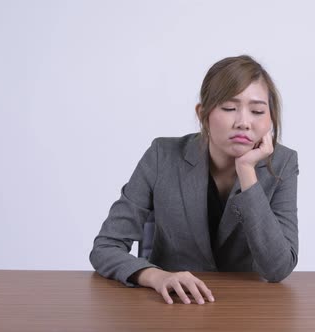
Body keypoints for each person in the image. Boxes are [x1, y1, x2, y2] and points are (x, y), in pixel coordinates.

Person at [90, 55, 299, 305]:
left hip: (248, 305)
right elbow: (106, 247)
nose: (243, 122)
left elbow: (278, 268)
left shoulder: (283, 163)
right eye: (229, 108)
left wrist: (247, 171)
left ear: (271, 119)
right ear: (203, 114)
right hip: (173, 304)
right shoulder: (162, 156)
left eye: (257, 111)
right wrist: (156, 276)